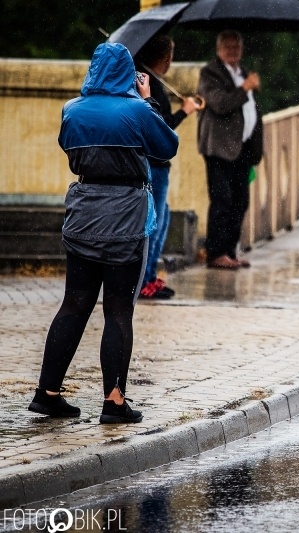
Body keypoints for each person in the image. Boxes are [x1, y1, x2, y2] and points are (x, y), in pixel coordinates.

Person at [27, 43, 178, 423]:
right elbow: (167, 147)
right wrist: (148, 101)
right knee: (118, 309)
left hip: (83, 213)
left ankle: (47, 393)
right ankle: (114, 401)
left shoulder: (72, 110)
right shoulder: (137, 110)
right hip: (126, 215)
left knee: (74, 304)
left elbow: (67, 144)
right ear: (128, 73)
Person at [135, 35, 201, 299]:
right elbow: (159, 129)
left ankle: (150, 275)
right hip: (155, 164)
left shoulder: (148, 81)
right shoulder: (150, 85)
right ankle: (145, 279)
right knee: (155, 221)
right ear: (166, 58)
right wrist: (184, 111)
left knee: (162, 218)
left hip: (154, 164)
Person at [197, 30, 263, 269]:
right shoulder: (209, 73)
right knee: (221, 200)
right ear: (218, 49)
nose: (233, 51)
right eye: (228, 47)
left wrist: (249, 86)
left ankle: (230, 250)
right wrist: (245, 88)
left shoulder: (243, 72)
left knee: (240, 201)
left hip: (242, 148)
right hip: (219, 147)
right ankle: (215, 253)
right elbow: (220, 104)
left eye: (237, 47)